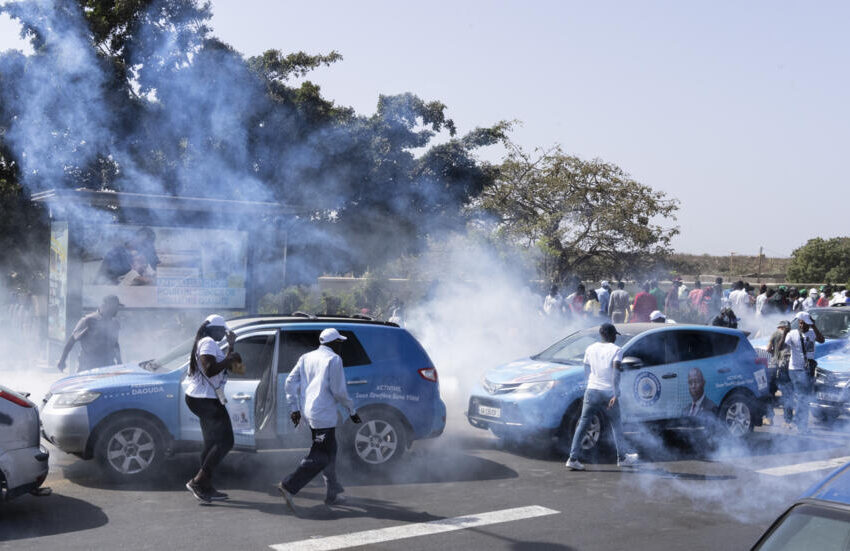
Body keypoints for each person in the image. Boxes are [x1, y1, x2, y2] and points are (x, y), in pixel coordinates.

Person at [278, 328, 362, 510]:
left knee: (331, 450)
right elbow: (339, 391)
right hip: (323, 415)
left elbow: (289, 383)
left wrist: (294, 408)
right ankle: (289, 485)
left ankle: (332, 493)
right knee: (321, 456)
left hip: (310, 411)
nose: (341, 345)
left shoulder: (306, 357)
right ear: (333, 343)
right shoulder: (334, 359)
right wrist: (352, 410)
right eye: (339, 342)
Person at [184, 314, 242, 502]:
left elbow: (220, 366)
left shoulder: (205, 341)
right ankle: (199, 481)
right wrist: (230, 358)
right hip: (206, 399)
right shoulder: (208, 341)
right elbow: (210, 368)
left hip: (202, 397)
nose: (223, 335)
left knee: (211, 443)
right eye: (222, 331)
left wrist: (231, 347)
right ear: (214, 329)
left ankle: (206, 485)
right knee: (226, 442)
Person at [565, 323, 638, 471]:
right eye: (614, 335)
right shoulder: (617, 350)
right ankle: (622, 458)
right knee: (616, 424)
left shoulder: (590, 348)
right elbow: (615, 373)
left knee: (583, 423)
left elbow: (586, 368)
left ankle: (572, 458)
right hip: (608, 392)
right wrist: (615, 393)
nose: (615, 338)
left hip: (592, 390)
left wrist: (590, 383)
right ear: (611, 335)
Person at [57, 295, 123, 372]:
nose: (116, 310)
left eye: (117, 307)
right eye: (114, 307)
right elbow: (71, 341)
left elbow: (115, 344)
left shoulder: (115, 324)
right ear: (106, 306)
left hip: (109, 367)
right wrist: (62, 360)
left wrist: (119, 362)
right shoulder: (89, 320)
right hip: (88, 369)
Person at [785, 311, 825, 433]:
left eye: (803, 323)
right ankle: (799, 423)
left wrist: (813, 325)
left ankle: (800, 424)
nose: (801, 325)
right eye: (800, 323)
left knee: (804, 397)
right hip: (795, 370)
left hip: (807, 370)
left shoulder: (812, 333)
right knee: (803, 397)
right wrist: (784, 333)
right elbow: (783, 346)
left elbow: (822, 340)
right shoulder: (792, 333)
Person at [768, 320, 793, 427]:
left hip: (774, 367)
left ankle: (769, 418)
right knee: (787, 395)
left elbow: (768, 349)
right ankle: (788, 421)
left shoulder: (774, 334)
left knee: (770, 393)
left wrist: (775, 354)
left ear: (780, 327)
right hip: (786, 368)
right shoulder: (791, 335)